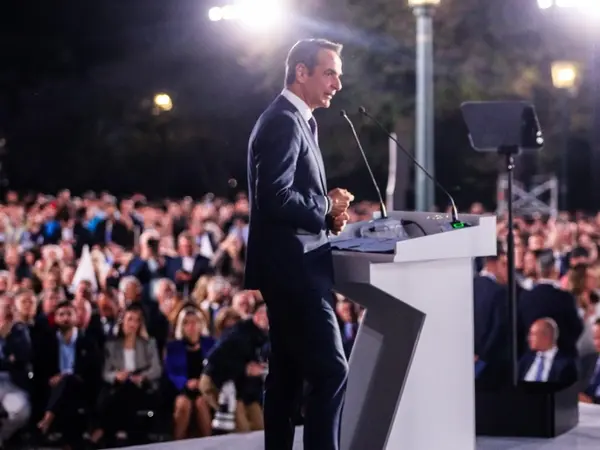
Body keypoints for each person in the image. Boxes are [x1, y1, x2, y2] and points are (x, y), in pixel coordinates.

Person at [245, 38, 353, 450]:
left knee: (287, 377)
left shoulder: (297, 119)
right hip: (294, 271)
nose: (337, 84)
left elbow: (289, 196)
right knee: (331, 371)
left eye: (338, 76)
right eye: (329, 73)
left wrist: (326, 214)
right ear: (301, 72)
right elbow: (274, 196)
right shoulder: (284, 121)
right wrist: (325, 205)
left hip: (294, 266)